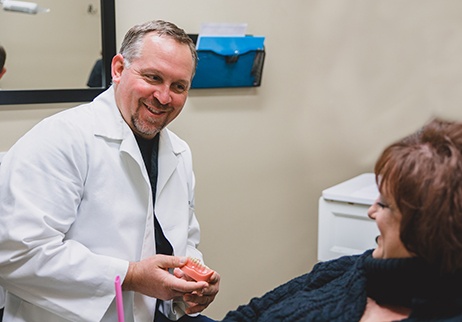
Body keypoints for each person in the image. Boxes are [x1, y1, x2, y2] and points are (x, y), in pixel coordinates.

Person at [0, 20, 220, 322]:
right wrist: (128, 275)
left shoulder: (179, 153)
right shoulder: (61, 138)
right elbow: (14, 255)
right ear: (118, 69)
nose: (164, 97)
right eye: (153, 77)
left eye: (178, 86)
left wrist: (193, 280)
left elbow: (183, 241)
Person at [222, 118, 462, 322]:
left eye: (384, 205)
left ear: (428, 229)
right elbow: (249, 314)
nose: (371, 211)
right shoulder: (350, 269)